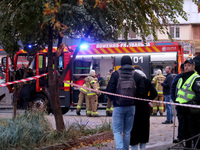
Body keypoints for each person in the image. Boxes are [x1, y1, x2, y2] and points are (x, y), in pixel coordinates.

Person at [106, 55, 145, 150]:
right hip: (131, 107)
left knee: (117, 131)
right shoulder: (136, 75)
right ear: (131, 63)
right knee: (127, 131)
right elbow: (142, 91)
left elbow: (109, 90)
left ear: (121, 63)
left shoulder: (115, 74)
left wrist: (114, 100)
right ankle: (126, 148)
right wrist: (134, 100)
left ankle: (120, 148)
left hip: (118, 106)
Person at [130, 65, 157, 150]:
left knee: (134, 129)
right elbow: (154, 93)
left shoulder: (131, 80)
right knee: (144, 129)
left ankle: (134, 148)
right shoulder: (146, 81)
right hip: (144, 108)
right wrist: (147, 100)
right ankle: (143, 148)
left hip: (133, 107)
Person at [175, 58, 200, 148]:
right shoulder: (181, 78)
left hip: (190, 110)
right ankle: (187, 147)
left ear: (193, 67)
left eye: (189, 65)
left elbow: (199, 95)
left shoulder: (196, 78)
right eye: (185, 65)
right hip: (182, 109)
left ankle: (196, 147)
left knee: (193, 131)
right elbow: (178, 92)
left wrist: (192, 103)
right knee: (185, 132)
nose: (186, 67)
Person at [170, 63, 185, 143]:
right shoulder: (178, 77)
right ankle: (180, 137)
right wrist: (174, 99)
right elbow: (173, 88)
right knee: (181, 120)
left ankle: (187, 137)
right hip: (179, 104)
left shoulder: (194, 77)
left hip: (190, 104)